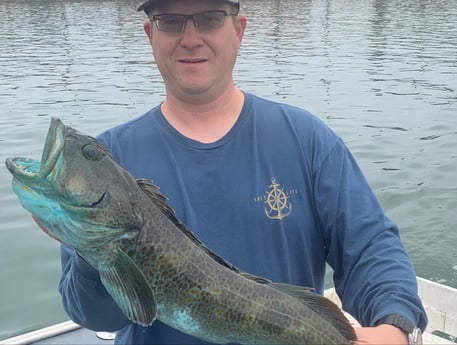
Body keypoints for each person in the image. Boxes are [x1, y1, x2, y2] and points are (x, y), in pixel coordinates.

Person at [54, 0, 428, 344]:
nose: (190, 38)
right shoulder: (108, 160)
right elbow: (93, 313)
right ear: (151, 34)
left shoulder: (307, 139)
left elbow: (369, 247)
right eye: (170, 21)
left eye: (210, 18)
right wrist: (99, 251)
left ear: (239, 30)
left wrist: (394, 327)